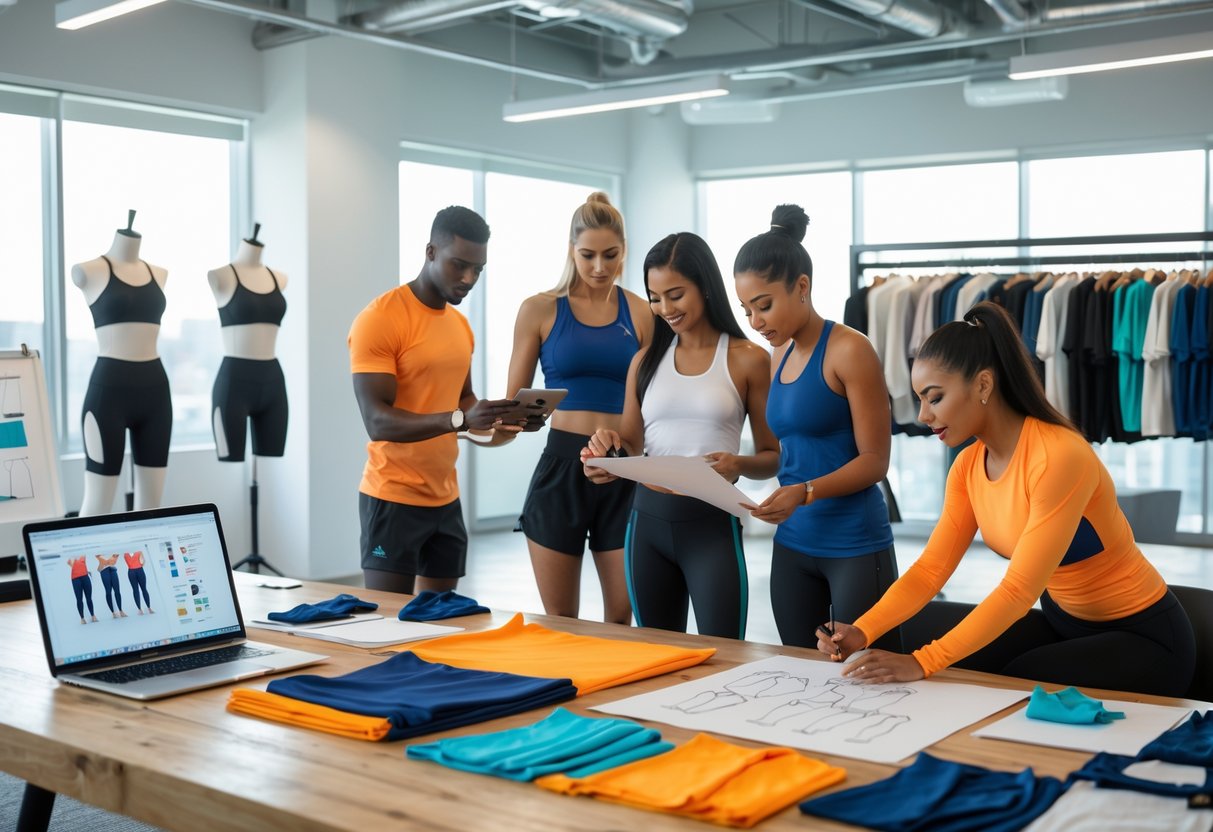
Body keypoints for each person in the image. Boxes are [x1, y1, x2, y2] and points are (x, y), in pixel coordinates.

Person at [819, 301, 1196, 698]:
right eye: (920, 400)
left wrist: (923, 662)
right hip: (1063, 624)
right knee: (915, 636)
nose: (923, 416)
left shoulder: (1058, 456)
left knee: (1012, 679)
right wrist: (863, 629)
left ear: (983, 385)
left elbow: (1019, 591)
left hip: (1145, 638)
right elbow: (932, 569)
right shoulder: (967, 467)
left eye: (934, 397)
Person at [580, 232, 778, 638]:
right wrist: (605, 455)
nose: (664, 308)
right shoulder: (645, 361)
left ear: (704, 286)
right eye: (655, 297)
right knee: (654, 654)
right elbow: (631, 445)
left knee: (725, 655)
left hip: (712, 526)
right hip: (646, 524)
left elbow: (774, 455)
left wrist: (737, 464)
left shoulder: (749, 359)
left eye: (675, 294)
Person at [349, 206, 538, 595]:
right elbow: (377, 420)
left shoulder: (459, 326)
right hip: (392, 497)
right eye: (459, 265)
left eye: (478, 270)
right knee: (387, 627)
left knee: (443, 625)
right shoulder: (380, 319)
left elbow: (464, 400)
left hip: (446, 498)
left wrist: (503, 417)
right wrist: (460, 420)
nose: (468, 279)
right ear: (431, 252)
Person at [733, 204, 898, 649]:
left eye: (763, 306)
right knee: (797, 675)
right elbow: (792, 453)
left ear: (801, 286)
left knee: (862, 680)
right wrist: (738, 464)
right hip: (793, 546)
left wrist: (804, 492)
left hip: (855, 547)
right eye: (746, 309)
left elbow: (875, 462)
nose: (755, 322)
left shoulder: (850, 350)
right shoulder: (777, 355)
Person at [508, 192, 653, 624]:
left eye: (611, 255)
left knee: (623, 617)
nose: (599, 267)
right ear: (571, 249)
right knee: (560, 618)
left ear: (624, 250)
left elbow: (653, 401)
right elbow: (512, 404)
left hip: (623, 466)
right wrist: (482, 424)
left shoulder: (642, 313)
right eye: (588, 255)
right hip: (560, 467)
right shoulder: (539, 309)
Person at [71, 215, 171, 515]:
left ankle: (143, 563)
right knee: (98, 503)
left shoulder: (159, 273)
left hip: (155, 392)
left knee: (151, 507)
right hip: (108, 394)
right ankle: (85, 564)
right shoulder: (89, 271)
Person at [208, 226, 288, 463]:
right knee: (230, 460)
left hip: (273, 380)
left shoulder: (279, 278)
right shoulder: (221, 276)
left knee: (270, 458)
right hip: (234, 382)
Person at [95, 553, 126, 618]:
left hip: (113, 570)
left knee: (117, 591)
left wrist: (108, 562)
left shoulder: (114, 552)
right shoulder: (98, 553)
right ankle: (113, 612)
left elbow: (113, 561)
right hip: (103, 571)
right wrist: (107, 562)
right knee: (108, 592)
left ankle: (121, 611)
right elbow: (104, 562)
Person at [68, 556, 98, 625]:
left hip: (85, 577)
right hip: (75, 579)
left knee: (89, 598)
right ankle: (82, 618)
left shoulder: (82, 554)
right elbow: (70, 563)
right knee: (79, 599)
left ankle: (93, 615)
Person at [124, 550, 153, 614]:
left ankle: (149, 607)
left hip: (139, 571)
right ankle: (139, 609)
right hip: (132, 572)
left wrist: (140, 562)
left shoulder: (138, 551)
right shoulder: (125, 552)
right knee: (135, 590)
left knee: (144, 589)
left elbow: (143, 562)